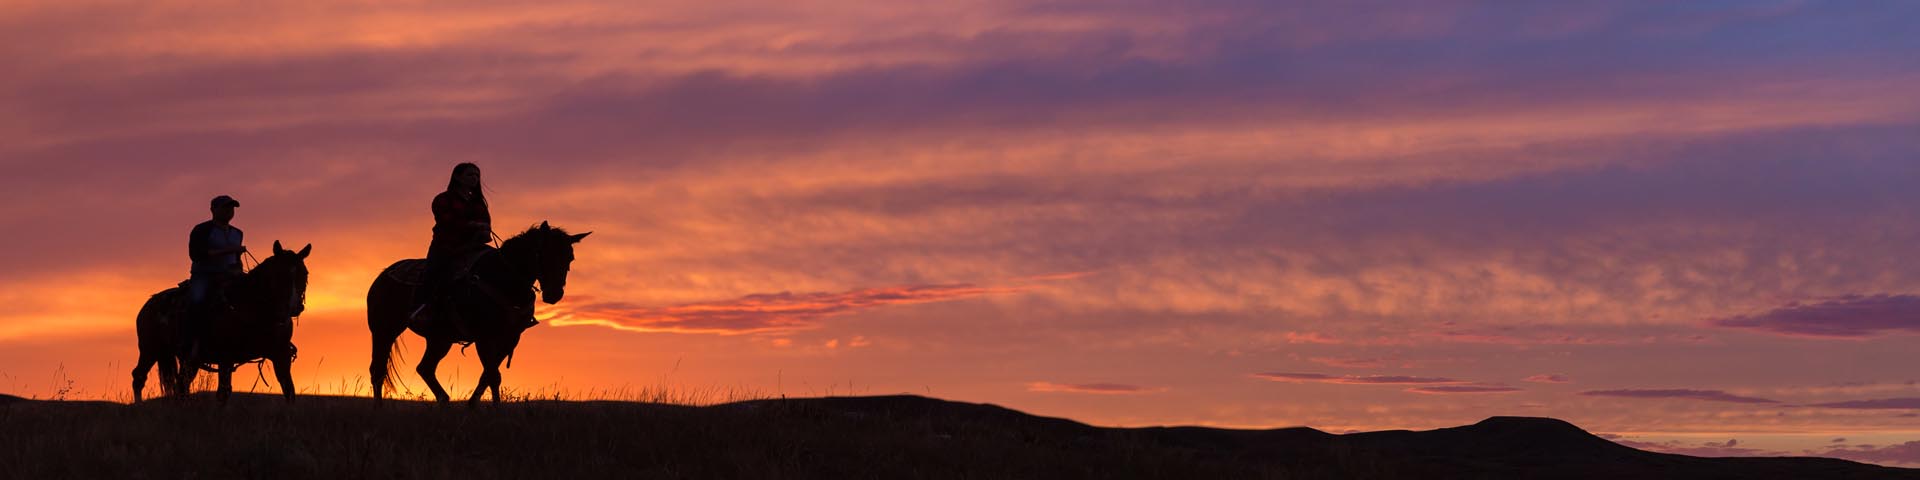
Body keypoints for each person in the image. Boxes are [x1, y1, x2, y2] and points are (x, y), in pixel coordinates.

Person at [412, 163, 495, 326]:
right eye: (470, 175)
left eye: (477, 176)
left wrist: (484, 230)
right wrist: (472, 226)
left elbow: (486, 222)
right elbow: (446, 221)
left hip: (474, 247)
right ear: (457, 177)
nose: (475, 179)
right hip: (447, 246)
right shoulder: (443, 199)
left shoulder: (478, 203)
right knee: (433, 272)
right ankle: (422, 308)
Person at [185, 195, 246, 354]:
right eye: (225, 208)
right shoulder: (202, 230)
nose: (229, 211)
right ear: (213, 210)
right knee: (197, 300)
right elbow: (196, 254)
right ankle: (192, 340)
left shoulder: (238, 233)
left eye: (231, 208)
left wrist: (238, 268)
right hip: (204, 275)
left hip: (230, 275)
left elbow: (236, 257)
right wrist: (229, 251)